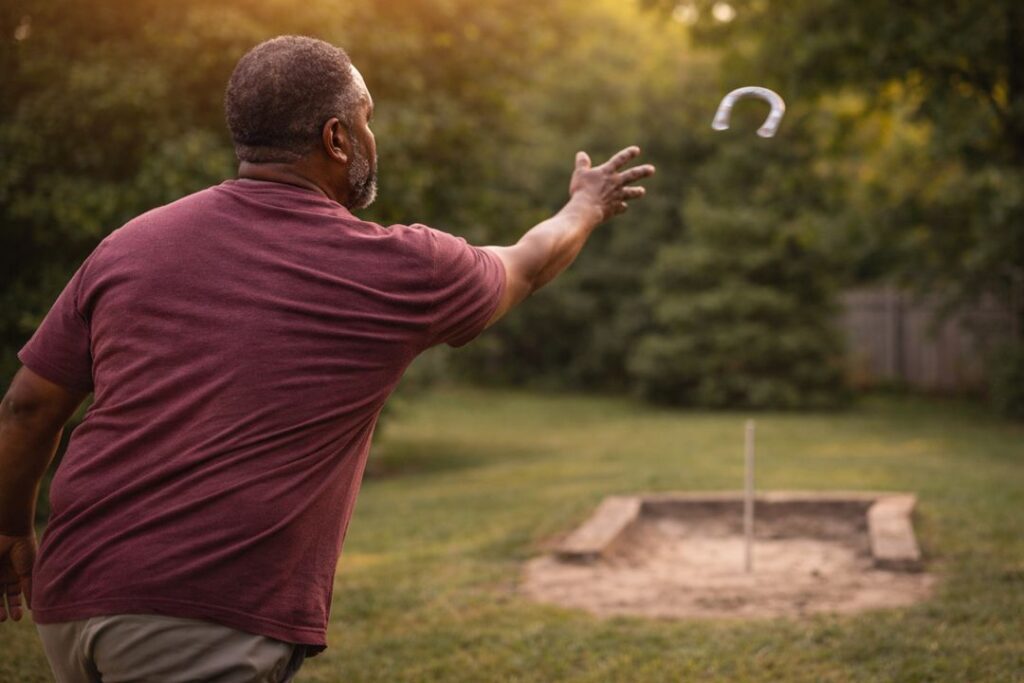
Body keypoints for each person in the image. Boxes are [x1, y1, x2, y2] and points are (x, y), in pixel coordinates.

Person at [0, 35, 654, 681]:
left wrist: (10, 523)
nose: (374, 137)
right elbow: (529, 263)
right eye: (368, 118)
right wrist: (586, 204)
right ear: (337, 138)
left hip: (72, 600)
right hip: (197, 619)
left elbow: (28, 405)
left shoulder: (130, 245)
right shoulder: (401, 269)